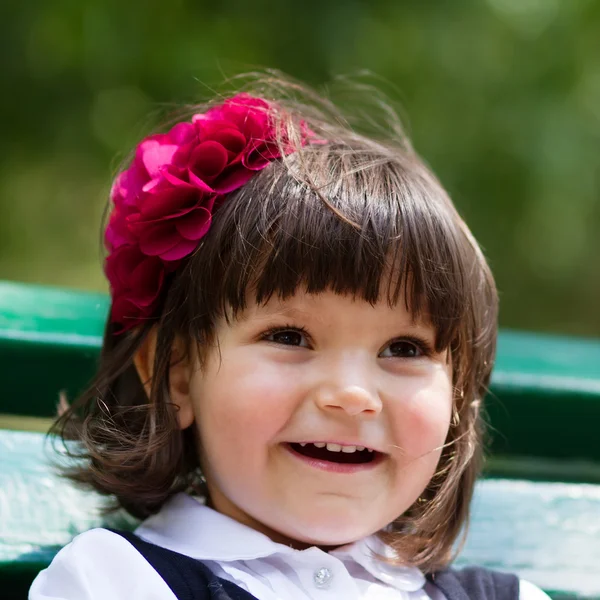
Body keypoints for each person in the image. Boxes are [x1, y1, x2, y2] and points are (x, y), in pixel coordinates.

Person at [29, 76, 550, 600]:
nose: (351, 394)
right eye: (290, 336)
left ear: (458, 399)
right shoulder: (114, 580)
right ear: (178, 375)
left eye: (404, 349)